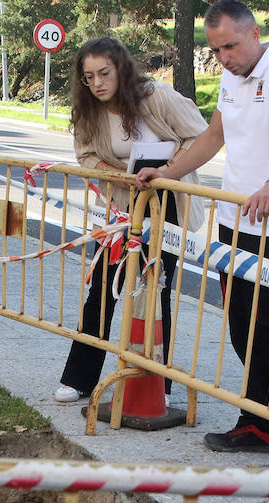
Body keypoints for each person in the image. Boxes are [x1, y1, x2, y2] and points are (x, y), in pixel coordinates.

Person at [137, 0, 269, 457]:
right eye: (216, 50)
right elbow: (212, 138)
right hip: (233, 218)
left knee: (267, 323)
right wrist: (167, 171)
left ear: (253, 33)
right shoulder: (231, 77)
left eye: (229, 46)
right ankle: (266, 422)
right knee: (244, 325)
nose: (224, 57)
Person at [54, 37, 208, 406]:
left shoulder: (156, 97)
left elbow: (200, 134)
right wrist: (120, 175)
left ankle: (159, 384)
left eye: (104, 73)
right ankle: (79, 379)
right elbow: (85, 155)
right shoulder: (88, 109)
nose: (97, 83)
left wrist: (168, 171)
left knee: (157, 292)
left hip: (164, 202)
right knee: (103, 289)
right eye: (88, 76)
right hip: (121, 205)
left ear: (122, 68)